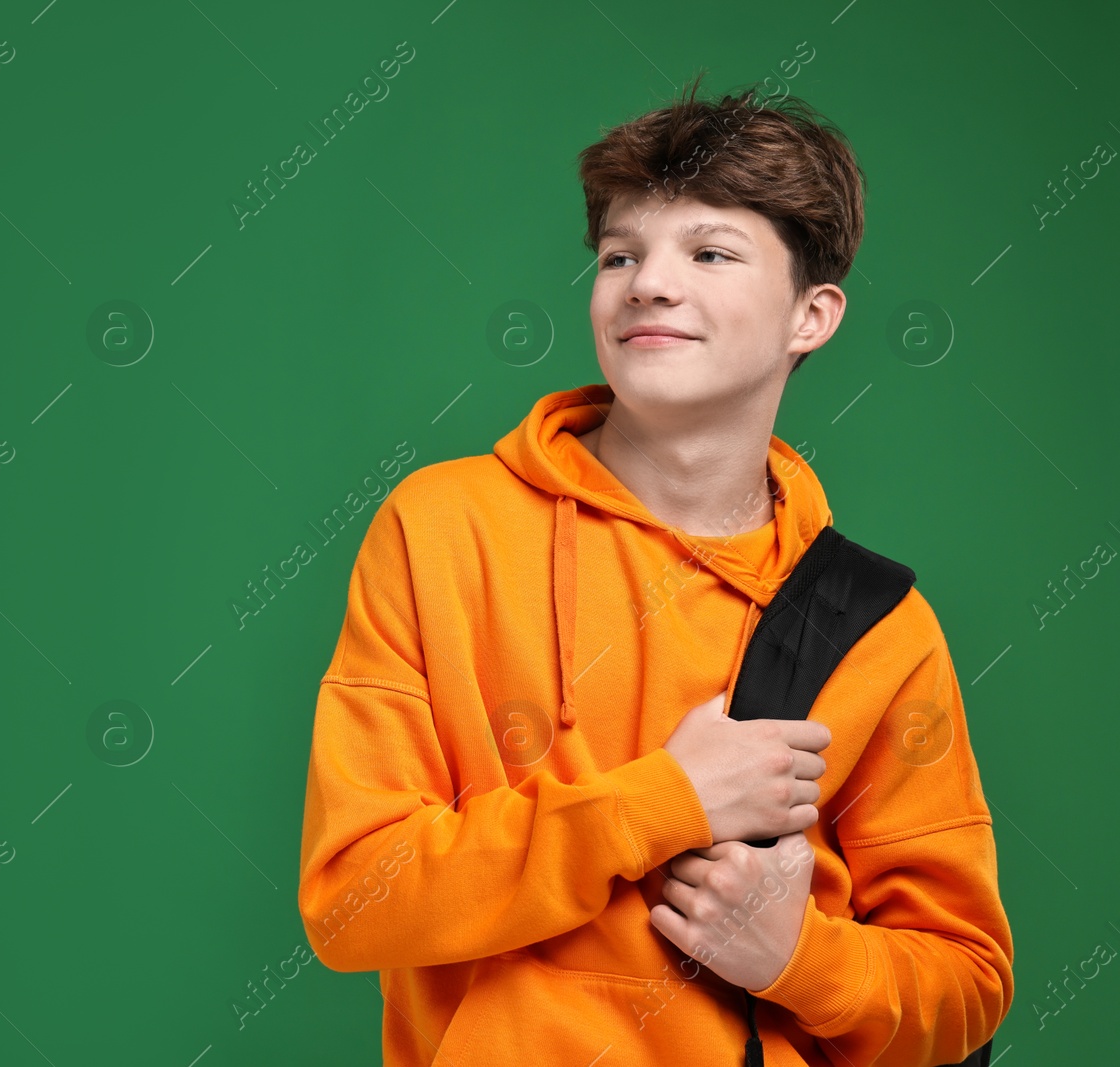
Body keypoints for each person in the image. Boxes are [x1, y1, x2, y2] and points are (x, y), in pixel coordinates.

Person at [296, 75, 1012, 1066]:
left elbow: (963, 986)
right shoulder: (442, 527)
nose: (647, 282)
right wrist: (659, 799)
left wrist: (793, 955)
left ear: (811, 316)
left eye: (709, 252)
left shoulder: (875, 624)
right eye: (619, 254)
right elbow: (353, 898)